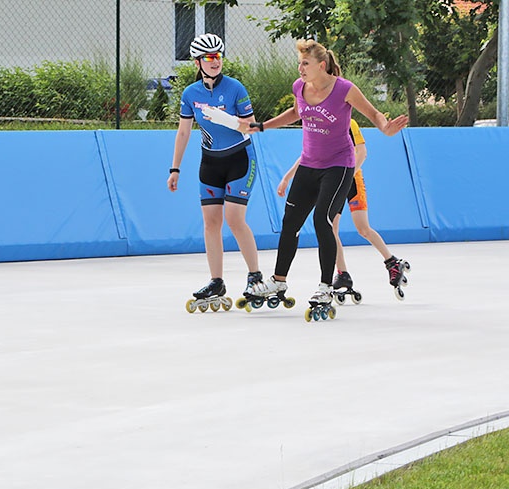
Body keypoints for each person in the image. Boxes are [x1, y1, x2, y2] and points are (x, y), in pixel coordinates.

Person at [241, 39, 408, 308]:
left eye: (305, 64)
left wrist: (386, 128)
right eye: (299, 63)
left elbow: (374, 114)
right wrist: (262, 126)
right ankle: (278, 280)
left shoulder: (344, 89)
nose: (300, 68)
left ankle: (326, 286)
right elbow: (295, 113)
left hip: (338, 166)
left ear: (321, 65)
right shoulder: (299, 87)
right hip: (309, 164)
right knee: (290, 222)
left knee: (323, 220)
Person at [167, 33, 264, 309]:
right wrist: (175, 168)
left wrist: (227, 119)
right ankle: (217, 281)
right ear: (198, 62)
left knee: (234, 219)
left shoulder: (235, 88)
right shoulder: (190, 94)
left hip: (240, 159)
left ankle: (255, 276)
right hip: (210, 162)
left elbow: (252, 127)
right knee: (211, 222)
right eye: (209, 58)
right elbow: (184, 131)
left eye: (218, 57)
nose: (214, 62)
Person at [276, 117, 411, 301]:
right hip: (331, 179)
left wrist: (346, 175)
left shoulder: (348, 121)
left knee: (363, 228)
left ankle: (391, 261)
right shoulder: (319, 123)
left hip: (350, 178)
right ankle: (342, 272)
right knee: (330, 228)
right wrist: (287, 177)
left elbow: (362, 152)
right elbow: (308, 155)